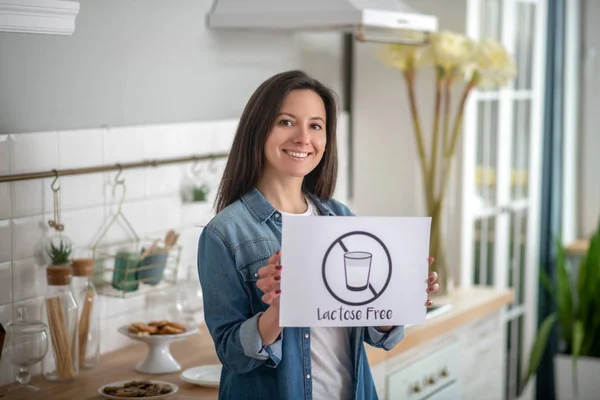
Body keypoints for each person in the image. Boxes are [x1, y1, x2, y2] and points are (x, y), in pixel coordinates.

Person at [197, 70, 440, 400]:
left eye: (315, 125)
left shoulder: (339, 217)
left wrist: (395, 301)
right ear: (259, 130)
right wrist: (279, 312)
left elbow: (375, 333)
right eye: (286, 122)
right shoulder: (226, 232)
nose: (303, 137)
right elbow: (230, 353)